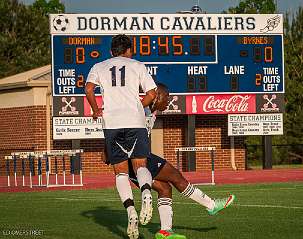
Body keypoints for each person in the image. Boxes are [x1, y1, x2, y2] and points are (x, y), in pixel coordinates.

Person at [105, 84, 236, 239]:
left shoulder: (151, 111)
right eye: (166, 97)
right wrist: (107, 149)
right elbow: (117, 127)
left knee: (165, 189)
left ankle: (165, 231)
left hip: (137, 161)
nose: (168, 101)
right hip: (136, 160)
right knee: (176, 176)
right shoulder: (138, 108)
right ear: (156, 95)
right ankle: (211, 205)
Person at [85, 34, 157, 239]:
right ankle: (145, 192)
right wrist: (136, 106)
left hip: (112, 123)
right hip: (135, 121)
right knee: (141, 166)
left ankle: (131, 212)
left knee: (121, 173)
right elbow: (152, 94)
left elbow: (88, 89)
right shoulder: (138, 65)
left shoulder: (99, 66)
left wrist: (96, 109)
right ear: (129, 51)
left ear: (111, 51)